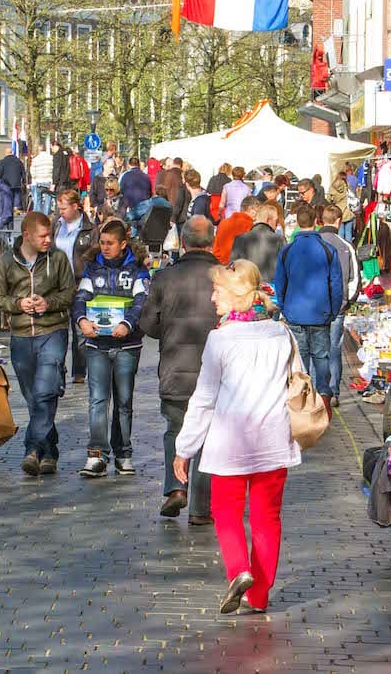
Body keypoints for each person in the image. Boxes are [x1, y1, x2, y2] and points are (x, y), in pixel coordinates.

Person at [174, 260, 301, 614]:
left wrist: (184, 449)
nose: (213, 297)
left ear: (238, 296)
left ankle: (239, 570)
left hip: (230, 444)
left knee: (226, 512)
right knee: (267, 518)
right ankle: (259, 597)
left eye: (219, 291)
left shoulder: (220, 340)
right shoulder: (282, 334)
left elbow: (203, 400)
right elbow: (300, 381)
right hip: (274, 441)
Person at [140, 216, 219, 524]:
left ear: (183, 242)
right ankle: (201, 507)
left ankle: (176, 489)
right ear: (211, 242)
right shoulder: (223, 276)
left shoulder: (164, 277)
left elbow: (148, 324)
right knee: (209, 437)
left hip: (175, 367)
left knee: (176, 429)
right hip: (215, 371)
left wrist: (169, 331)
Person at [0, 212, 76, 476]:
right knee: (33, 397)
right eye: (43, 236)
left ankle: (31, 448)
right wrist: (18, 304)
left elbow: (70, 293)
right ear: (26, 235)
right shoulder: (6, 261)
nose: (48, 240)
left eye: (50, 235)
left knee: (45, 391)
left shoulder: (59, 259)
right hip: (21, 336)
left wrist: (48, 303)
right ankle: (49, 451)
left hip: (52, 330)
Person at [73, 218, 150, 477]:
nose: (105, 248)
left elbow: (142, 301)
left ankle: (123, 453)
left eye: (110, 243)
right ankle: (96, 454)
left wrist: (128, 323)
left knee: (124, 401)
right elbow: (81, 298)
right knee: (97, 400)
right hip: (97, 343)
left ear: (123, 244)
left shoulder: (138, 270)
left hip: (127, 344)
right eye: (102, 243)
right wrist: (81, 320)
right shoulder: (92, 269)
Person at [274, 202, 343, 413]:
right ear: (316, 222)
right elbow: (336, 285)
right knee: (321, 358)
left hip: (295, 313)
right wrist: (332, 310)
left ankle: (302, 403)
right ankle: (322, 400)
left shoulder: (287, 251)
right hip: (320, 313)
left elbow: (280, 283)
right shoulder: (328, 250)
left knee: (300, 360)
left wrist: (285, 308)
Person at [53, 190, 99, 384]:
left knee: (80, 329)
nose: (60, 212)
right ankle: (56, 370)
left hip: (80, 283)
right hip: (57, 284)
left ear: (75, 206)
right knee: (57, 329)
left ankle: (79, 372)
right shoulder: (57, 225)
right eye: (59, 208)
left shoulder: (90, 229)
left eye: (64, 208)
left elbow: (95, 256)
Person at [318, 204, 360, 406]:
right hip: (338, 306)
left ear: (321, 220)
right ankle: (333, 391)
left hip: (315, 306)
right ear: (339, 221)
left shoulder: (313, 243)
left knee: (315, 348)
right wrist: (347, 302)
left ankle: (318, 389)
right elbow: (354, 279)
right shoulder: (346, 245)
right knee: (334, 348)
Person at [230, 204, 285, 286]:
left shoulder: (240, 238)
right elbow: (285, 268)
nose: (277, 224)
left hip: (245, 288)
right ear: (268, 220)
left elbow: (233, 267)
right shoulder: (279, 240)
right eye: (276, 221)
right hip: (271, 290)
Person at [213, 195, 261, 265]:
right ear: (250, 209)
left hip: (221, 267)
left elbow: (216, 249)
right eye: (258, 211)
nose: (259, 214)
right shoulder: (250, 227)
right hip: (240, 268)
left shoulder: (223, 223)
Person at [121, 157, 152, 235]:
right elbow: (150, 192)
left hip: (130, 207)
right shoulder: (146, 176)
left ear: (129, 165)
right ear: (139, 165)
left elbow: (120, 190)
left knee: (131, 232)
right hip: (144, 208)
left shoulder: (125, 176)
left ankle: (133, 244)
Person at [327, 171, 355, 243]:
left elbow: (328, 200)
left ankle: (340, 250)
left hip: (338, 212)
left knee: (340, 234)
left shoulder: (332, 187)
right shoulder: (347, 185)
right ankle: (349, 250)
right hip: (348, 211)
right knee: (348, 234)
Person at [30, 145, 54, 214]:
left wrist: (35, 177)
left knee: (38, 199)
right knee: (48, 198)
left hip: (39, 181)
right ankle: (46, 215)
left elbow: (32, 171)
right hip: (48, 180)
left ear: (39, 150)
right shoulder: (51, 158)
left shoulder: (36, 159)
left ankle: (38, 216)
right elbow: (53, 169)